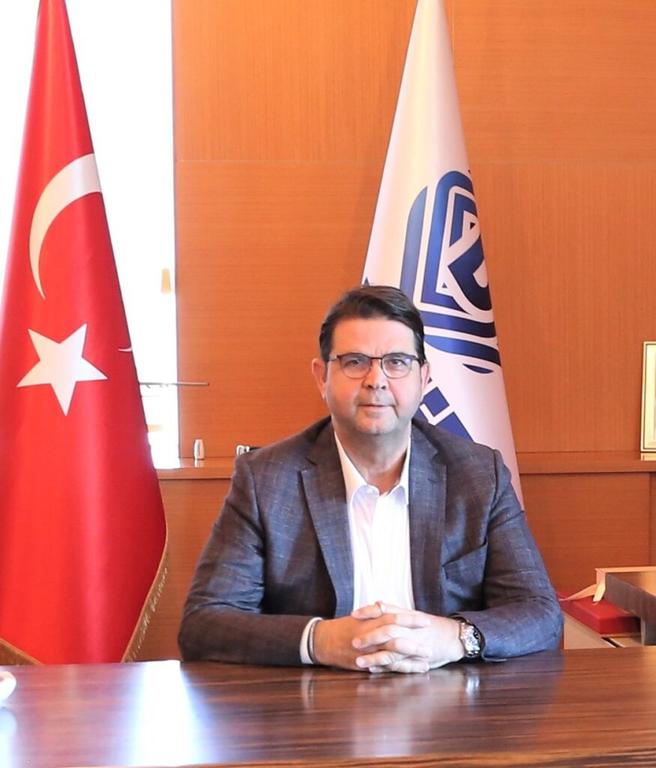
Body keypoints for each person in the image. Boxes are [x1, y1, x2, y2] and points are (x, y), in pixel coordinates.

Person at [179, 285, 562, 673]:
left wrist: (456, 637)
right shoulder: (266, 479)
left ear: (424, 377)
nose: (376, 380)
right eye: (355, 362)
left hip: (447, 698)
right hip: (315, 700)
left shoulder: (478, 474)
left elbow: (540, 613)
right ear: (322, 377)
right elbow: (205, 624)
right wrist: (318, 641)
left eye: (397, 362)